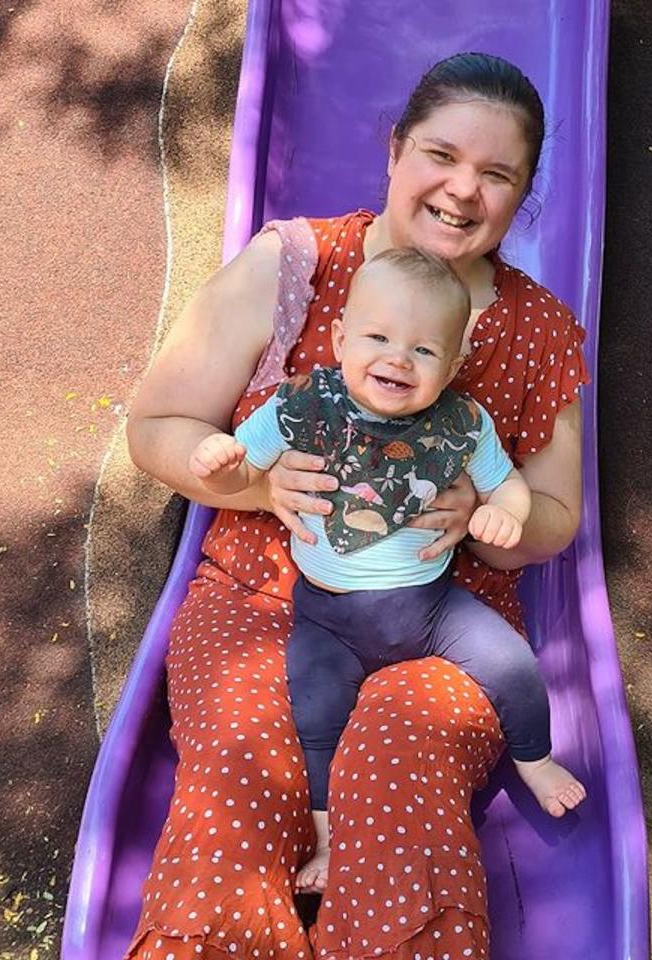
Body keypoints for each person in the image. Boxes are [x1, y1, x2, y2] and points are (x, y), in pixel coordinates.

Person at [125, 51, 589, 960]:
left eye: (497, 175)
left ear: (524, 194)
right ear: (394, 152)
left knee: (400, 766)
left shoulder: (537, 330)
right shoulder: (296, 264)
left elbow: (555, 518)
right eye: (441, 155)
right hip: (266, 596)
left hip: (440, 615)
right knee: (246, 755)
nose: (462, 191)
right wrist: (257, 482)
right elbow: (159, 425)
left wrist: (491, 518)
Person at [188, 246, 586, 894]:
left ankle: (535, 759)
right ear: (341, 339)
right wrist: (221, 456)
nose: (398, 357)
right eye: (377, 337)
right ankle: (325, 840)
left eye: (424, 351)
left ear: (454, 365)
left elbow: (509, 487)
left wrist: (503, 514)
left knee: (513, 663)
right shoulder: (305, 406)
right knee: (314, 716)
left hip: (432, 611)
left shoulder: (461, 423)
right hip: (329, 618)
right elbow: (247, 469)